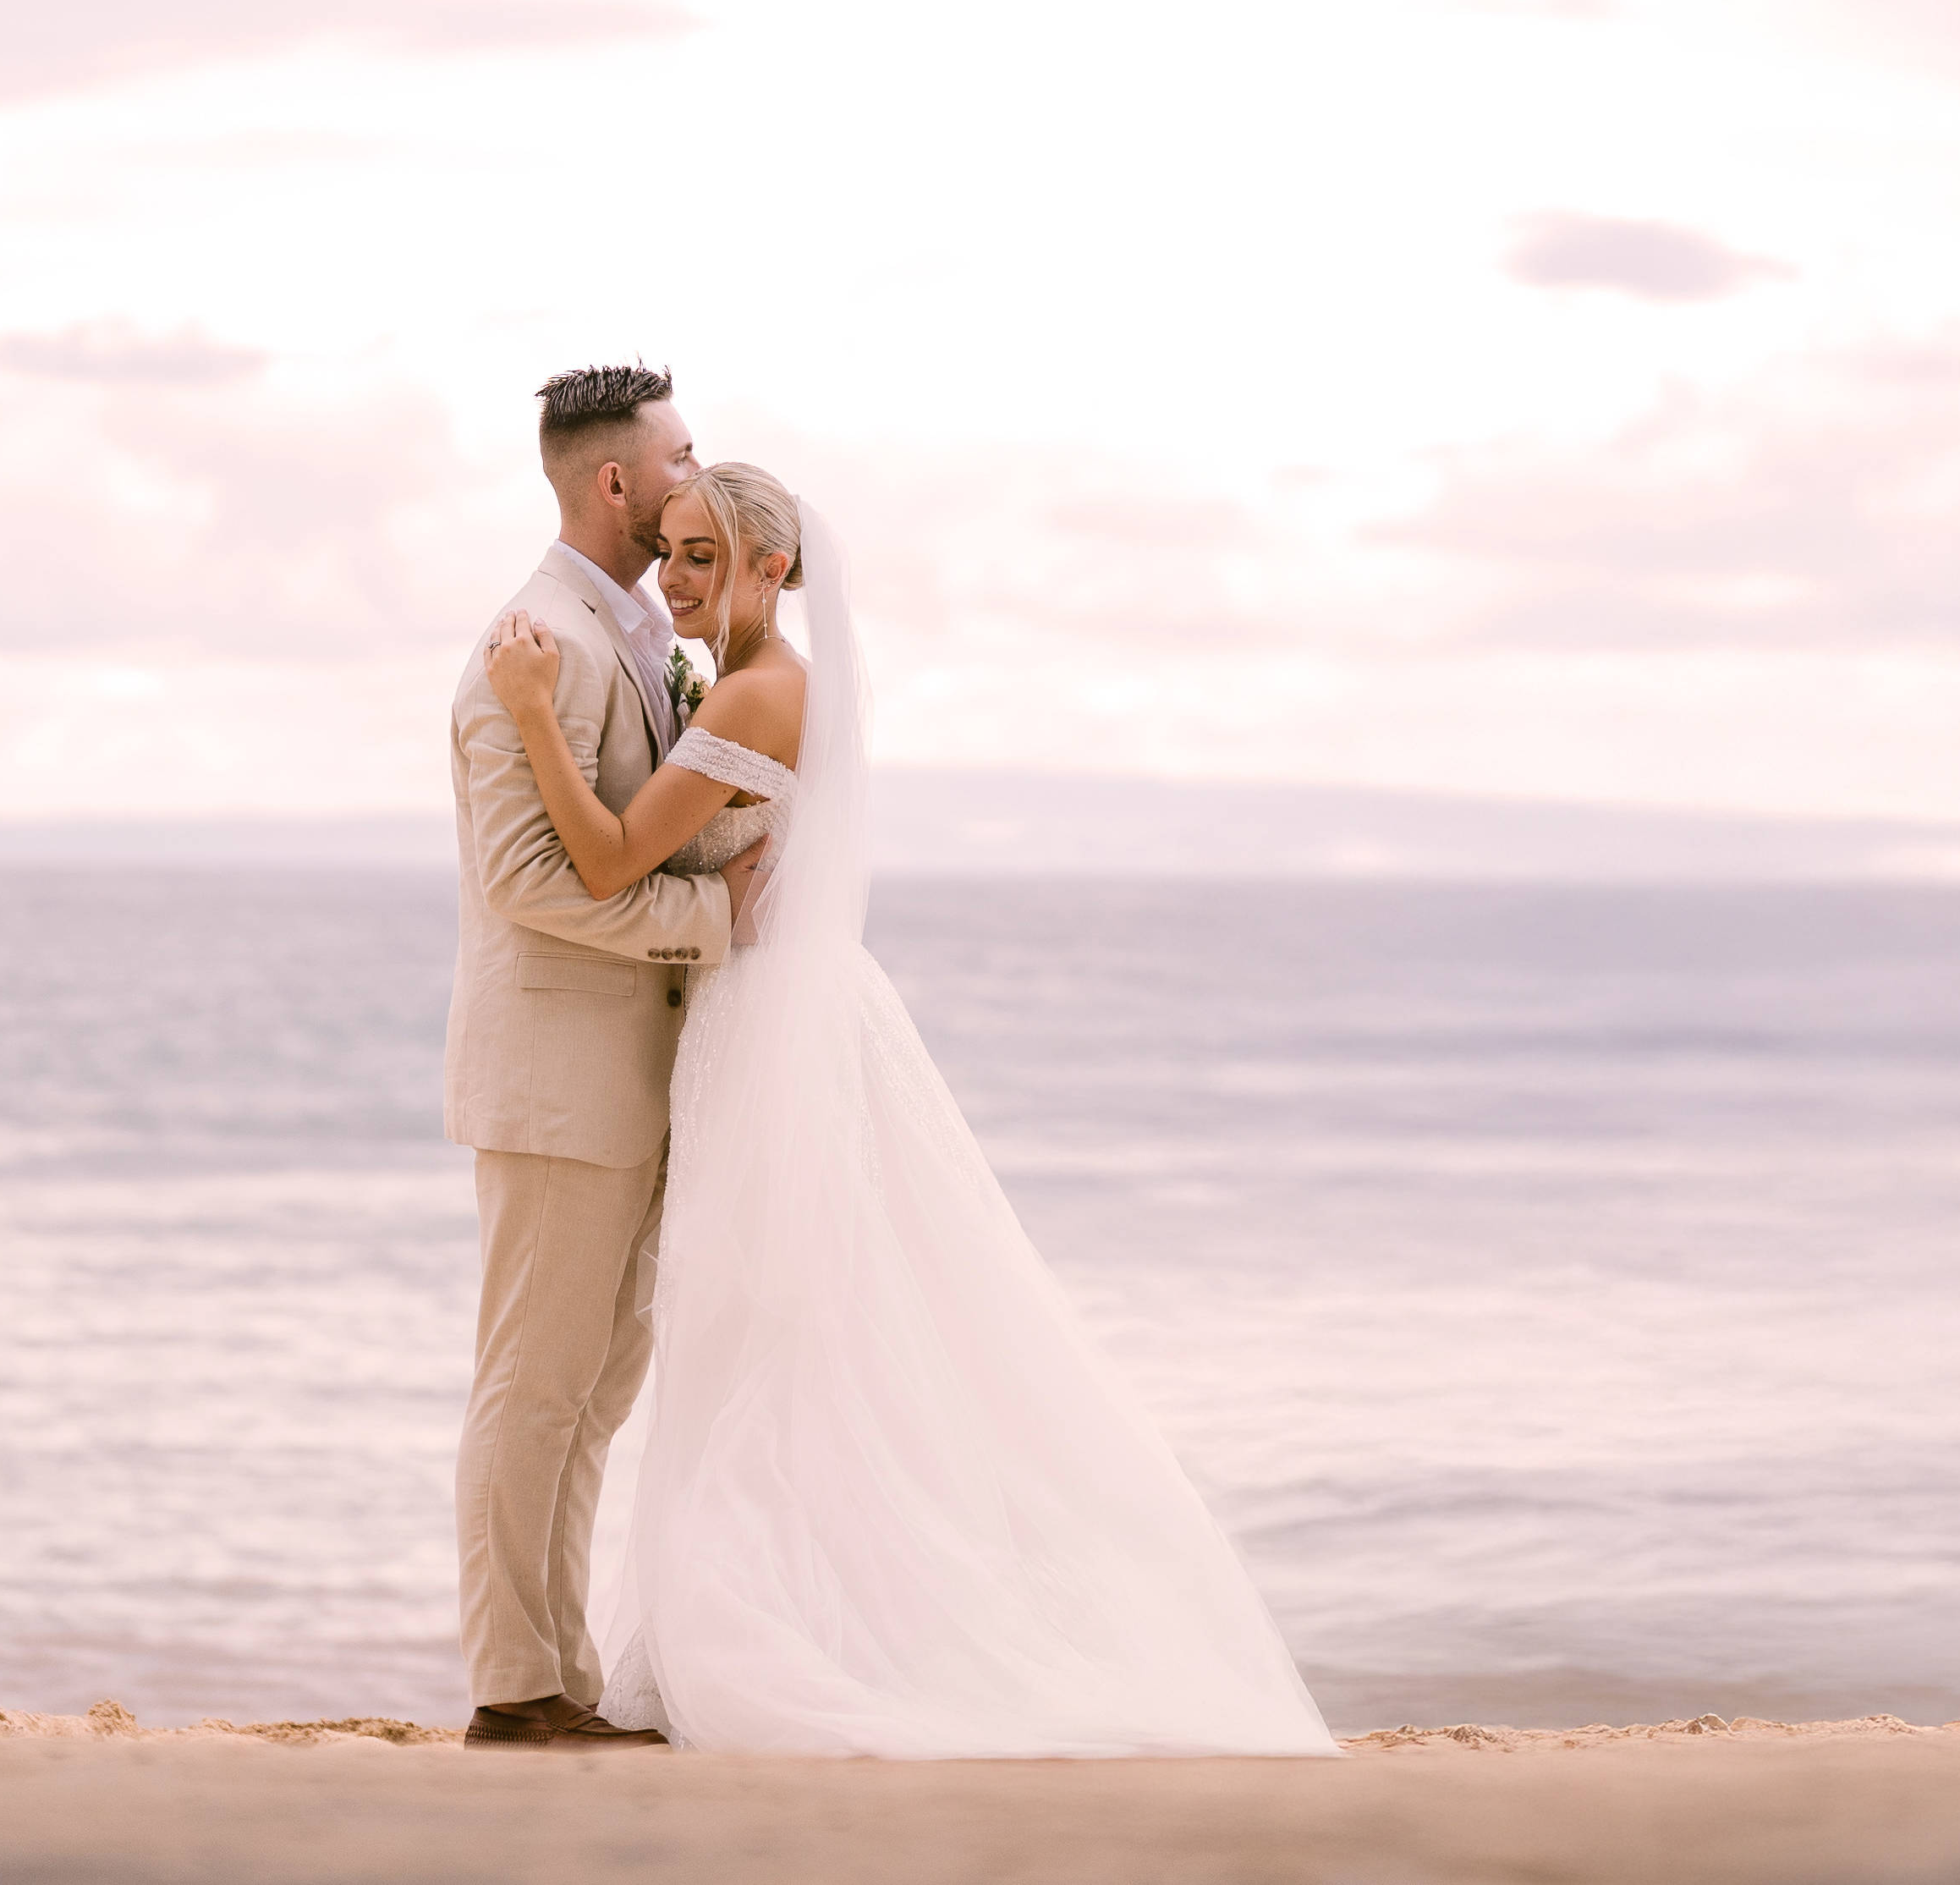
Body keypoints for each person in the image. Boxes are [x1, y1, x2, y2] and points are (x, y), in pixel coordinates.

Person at [483, 461, 1339, 1759]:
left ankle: (781, 1626)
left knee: (769, 1333)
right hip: (765, 1018)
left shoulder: (764, 692)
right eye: (670, 552)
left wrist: (536, 711)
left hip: (769, 1025)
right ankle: (757, 1615)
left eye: (707, 554)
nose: (680, 578)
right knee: (767, 1330)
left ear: (776, 568)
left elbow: (605, 859)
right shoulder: (750, 681)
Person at [439, 364, 762, 1750]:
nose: (699, 473)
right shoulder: (538, 643)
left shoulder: (634, 631)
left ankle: (558, 1675)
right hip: (559, 1083)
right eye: (682, 457)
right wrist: (712, 915)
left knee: (594, 1390)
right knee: (532, 1383)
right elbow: (527, 880)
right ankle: (513, 1687)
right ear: (615, 481)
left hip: (630, 1083)